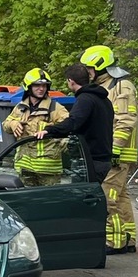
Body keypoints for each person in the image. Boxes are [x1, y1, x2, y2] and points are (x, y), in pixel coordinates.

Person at [80, 45, 138, 254]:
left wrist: (113, 150)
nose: (87, 72)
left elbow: (125, 121)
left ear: (99, 66)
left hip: (117, 152)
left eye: (89, 68)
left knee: (108, 197)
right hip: (113, 151)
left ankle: (114, 242)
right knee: (121, 196)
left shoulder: (121, 86)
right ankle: (128, 238)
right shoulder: (106, 85)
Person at [35, 62, 114, 194]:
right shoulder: (103, 99)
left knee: (81, 199)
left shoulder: (85, 99)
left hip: (89, 160)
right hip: (103, 159)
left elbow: (73, 123)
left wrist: (50, 130)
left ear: (71, 81)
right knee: (91, 196)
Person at [2, 68, 70, 186]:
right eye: (37, 86)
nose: (41, 89)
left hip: (48, 169)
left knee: (48, 202)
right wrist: (12, 124)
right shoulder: (21, 107)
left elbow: (69, 127)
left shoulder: (55, 108)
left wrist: (60, 141)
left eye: (44, 86)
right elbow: (5, 124)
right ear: (28, 87)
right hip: (24, 166)